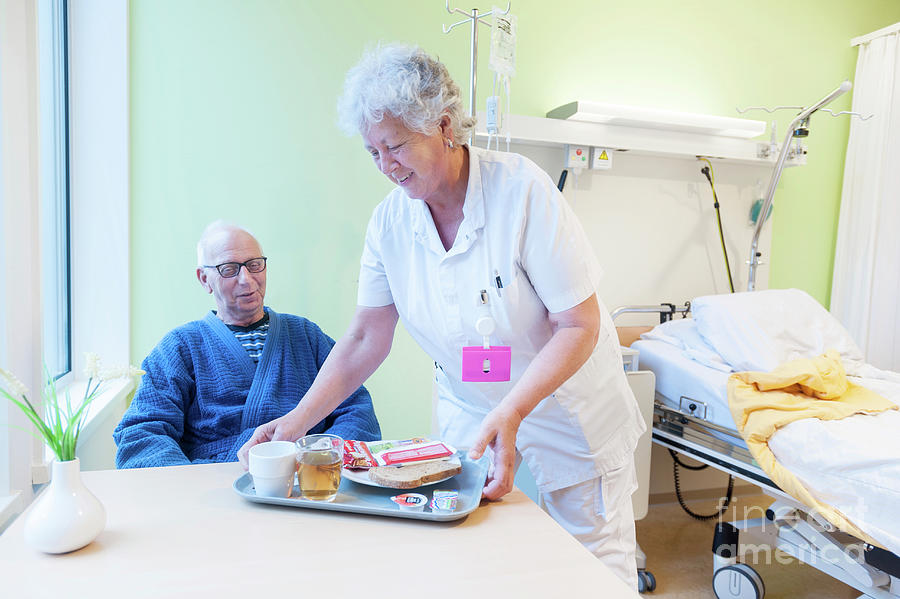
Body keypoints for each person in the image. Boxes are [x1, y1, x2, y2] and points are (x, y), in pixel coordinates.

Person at [237, 45, 645, 588]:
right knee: (480, 568)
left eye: (396, 146)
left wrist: (514, 409)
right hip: (472, 415)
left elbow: (579, 325)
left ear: (444, 125)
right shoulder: (389, 225)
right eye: (372, 152)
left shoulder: (522, 193)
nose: (386, 166)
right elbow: (365, 338)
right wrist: (295, 423)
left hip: (567, 416)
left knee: (591, 572)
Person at [113, 222, 380, 468]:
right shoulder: (180, 347)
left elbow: (355, 406)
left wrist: (325, 460)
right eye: (229, 269)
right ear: (204, 279)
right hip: (214, 484)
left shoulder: (305, 335)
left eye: (254, 265)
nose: (247, 279)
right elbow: (143, 431)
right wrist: (187, 485)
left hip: (303, 481)